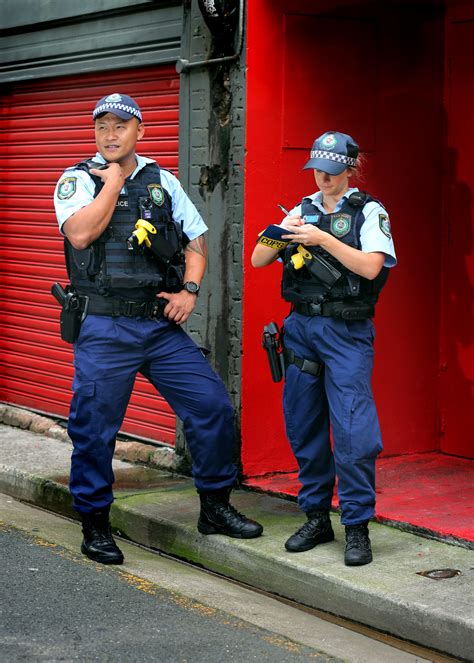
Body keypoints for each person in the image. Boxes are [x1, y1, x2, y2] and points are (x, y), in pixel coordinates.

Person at [54, 92, 263, 565]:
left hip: (157, 324)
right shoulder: (76, 179)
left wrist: (190, 290)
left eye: (120, 126)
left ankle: (215, 506)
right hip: (104, 326)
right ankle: (95, 523)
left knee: (212, 408)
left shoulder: (162, 181)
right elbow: (81, 233)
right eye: (102, 126)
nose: (110, 134)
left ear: (139, 132)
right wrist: (112, 185)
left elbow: (197, 239)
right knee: (94, 429)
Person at [251, 131, 396, 565]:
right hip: (302, 328)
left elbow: (372, 266)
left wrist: (323, 241)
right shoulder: (302, 208)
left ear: (351, 169)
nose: (323, 179)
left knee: (353, 431)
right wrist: (284, 231)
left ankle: (356, 527)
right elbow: (259, 258)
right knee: (304, 425)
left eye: (332, 171)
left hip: (346, 332)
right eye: (317, 170)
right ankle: (316, 517)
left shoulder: (368, 210)